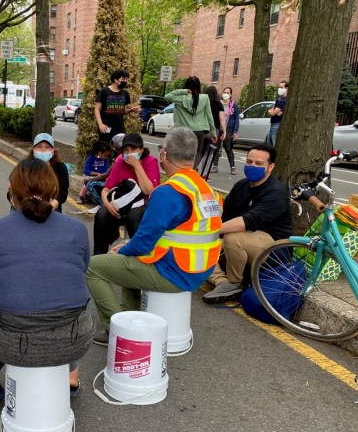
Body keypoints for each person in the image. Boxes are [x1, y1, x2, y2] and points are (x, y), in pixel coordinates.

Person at [86, 127, 223, 345]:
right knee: (126, 255)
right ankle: (129, 315)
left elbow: (143, 243)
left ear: (164, 154)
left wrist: (124, 247)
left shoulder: (168, 192)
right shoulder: (206, 188)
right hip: (200, 269)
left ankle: (118, 330)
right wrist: (129, 247)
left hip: (174, 273)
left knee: (93, 266)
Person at [0, 159, 93, 401]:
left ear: (11, 190)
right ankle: (71, 375)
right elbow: (81, 271)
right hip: (74, 339)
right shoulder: (77, 229)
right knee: (65, 306)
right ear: (53, 190)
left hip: (12, 341)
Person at [203, 143, 293, 304]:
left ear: (270, 167)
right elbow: (224, 214)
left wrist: (206, 230)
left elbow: (247, 222)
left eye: (259, 164)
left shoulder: (277, 192)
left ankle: (233, 283)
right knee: (201, 246)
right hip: (246, 245)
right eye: (249, 162)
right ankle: (221, 282)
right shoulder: (241, 185)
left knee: (232, 237)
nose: (252, 166)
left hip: (273, 250)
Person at [92, 133, 161, 255]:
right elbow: (106, 189)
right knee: (102, 214)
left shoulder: (150, 162)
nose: (129, 153)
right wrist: (107, 204)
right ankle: (99, 254)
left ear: (141, 150)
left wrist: (137, 167)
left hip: (143, 205)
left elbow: (148, 191)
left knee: (133, 215)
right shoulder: (120, 160)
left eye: (133, 149)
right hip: (123, 204)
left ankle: (138, 254)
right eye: (126, 150)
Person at [165, 76, 217, 166]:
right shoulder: (204, 98)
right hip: (199, 131)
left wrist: (183, 91)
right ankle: (192, 171)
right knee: (196, 154)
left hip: (183, 131)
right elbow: (209, 116)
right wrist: (213, 132)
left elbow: (167, 96)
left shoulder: (181, 98)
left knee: (181, 154)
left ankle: (181, 172)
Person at [94, 69, 138, 143]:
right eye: (123, 79)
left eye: (127, 79)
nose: (125, 81)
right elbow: (97, 109)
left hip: (119, 128)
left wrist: (131, 110)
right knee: (105, 149)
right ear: (115, 80)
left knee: (119, 150)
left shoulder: (125, 93)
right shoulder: (104, 91)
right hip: (106, 127)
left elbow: (122, 111)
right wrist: (100, 124)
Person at [30, 133, 69, 212]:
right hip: (28, 206)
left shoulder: (60, 168)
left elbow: (62, 193)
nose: (43, 151)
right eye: (39, 147)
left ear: (53, 151)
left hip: (52, 207)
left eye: (47, 147)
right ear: (33, 151)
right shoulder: (26, 166)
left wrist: (49, 207)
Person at [79, 140, 112, 208]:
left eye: (107, 156)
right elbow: (86, 171)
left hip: (100, 176)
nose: (106, 157)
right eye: (105, 155)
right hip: (89, 176)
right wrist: (97, 174)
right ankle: (81, 196)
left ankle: (92, 196)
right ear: (99, 153)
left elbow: (105, 171)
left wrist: (101, 175)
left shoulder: (106, 160)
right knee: (89, 181)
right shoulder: (91, 158)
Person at [205, 85, 225, 173]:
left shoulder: (204, 103)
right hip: (214, 130)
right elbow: (222, 119)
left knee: (200, 152)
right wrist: (224, 131)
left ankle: (197, 171)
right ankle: (205, 173)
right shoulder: (218, 104)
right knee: (209, 153)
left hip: (203, 129)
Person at [222, 87, 240, 175]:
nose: (225, 94)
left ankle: (232, 166)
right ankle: (215, 166)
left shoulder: (233, 105)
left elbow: (236, 118)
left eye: (228, 93)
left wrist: (235, 131)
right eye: (224, 92)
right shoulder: (219, 104)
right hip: (219, 129)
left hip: (229, 129)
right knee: (216, 148)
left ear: (231, 95)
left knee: (228, 148)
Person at [266, 81, 288, 147]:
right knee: (269, 144)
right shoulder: (279, 99)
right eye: (279, 87)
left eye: (281, 87)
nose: (279, 89)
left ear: (287, 89)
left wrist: (271, 111)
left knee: (274, 144)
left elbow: (272, 113)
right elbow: (273, 111)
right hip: (273, 124)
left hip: (277, 124)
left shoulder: (283, 101)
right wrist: (272, 111)